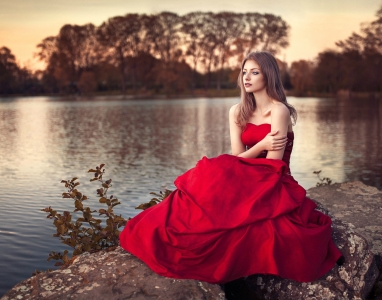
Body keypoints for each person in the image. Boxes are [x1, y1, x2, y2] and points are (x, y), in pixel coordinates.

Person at [119, 51, 342, 284]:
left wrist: (260, 150)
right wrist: (261, 145)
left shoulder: (279, 111)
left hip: (273, 179)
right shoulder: (237, 111)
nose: (247, 77)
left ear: (268, 76)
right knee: (210, 177)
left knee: (226, 181)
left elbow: (274, 163)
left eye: (254, 72)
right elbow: (237, 156)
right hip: (245, 171)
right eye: (244, 72)